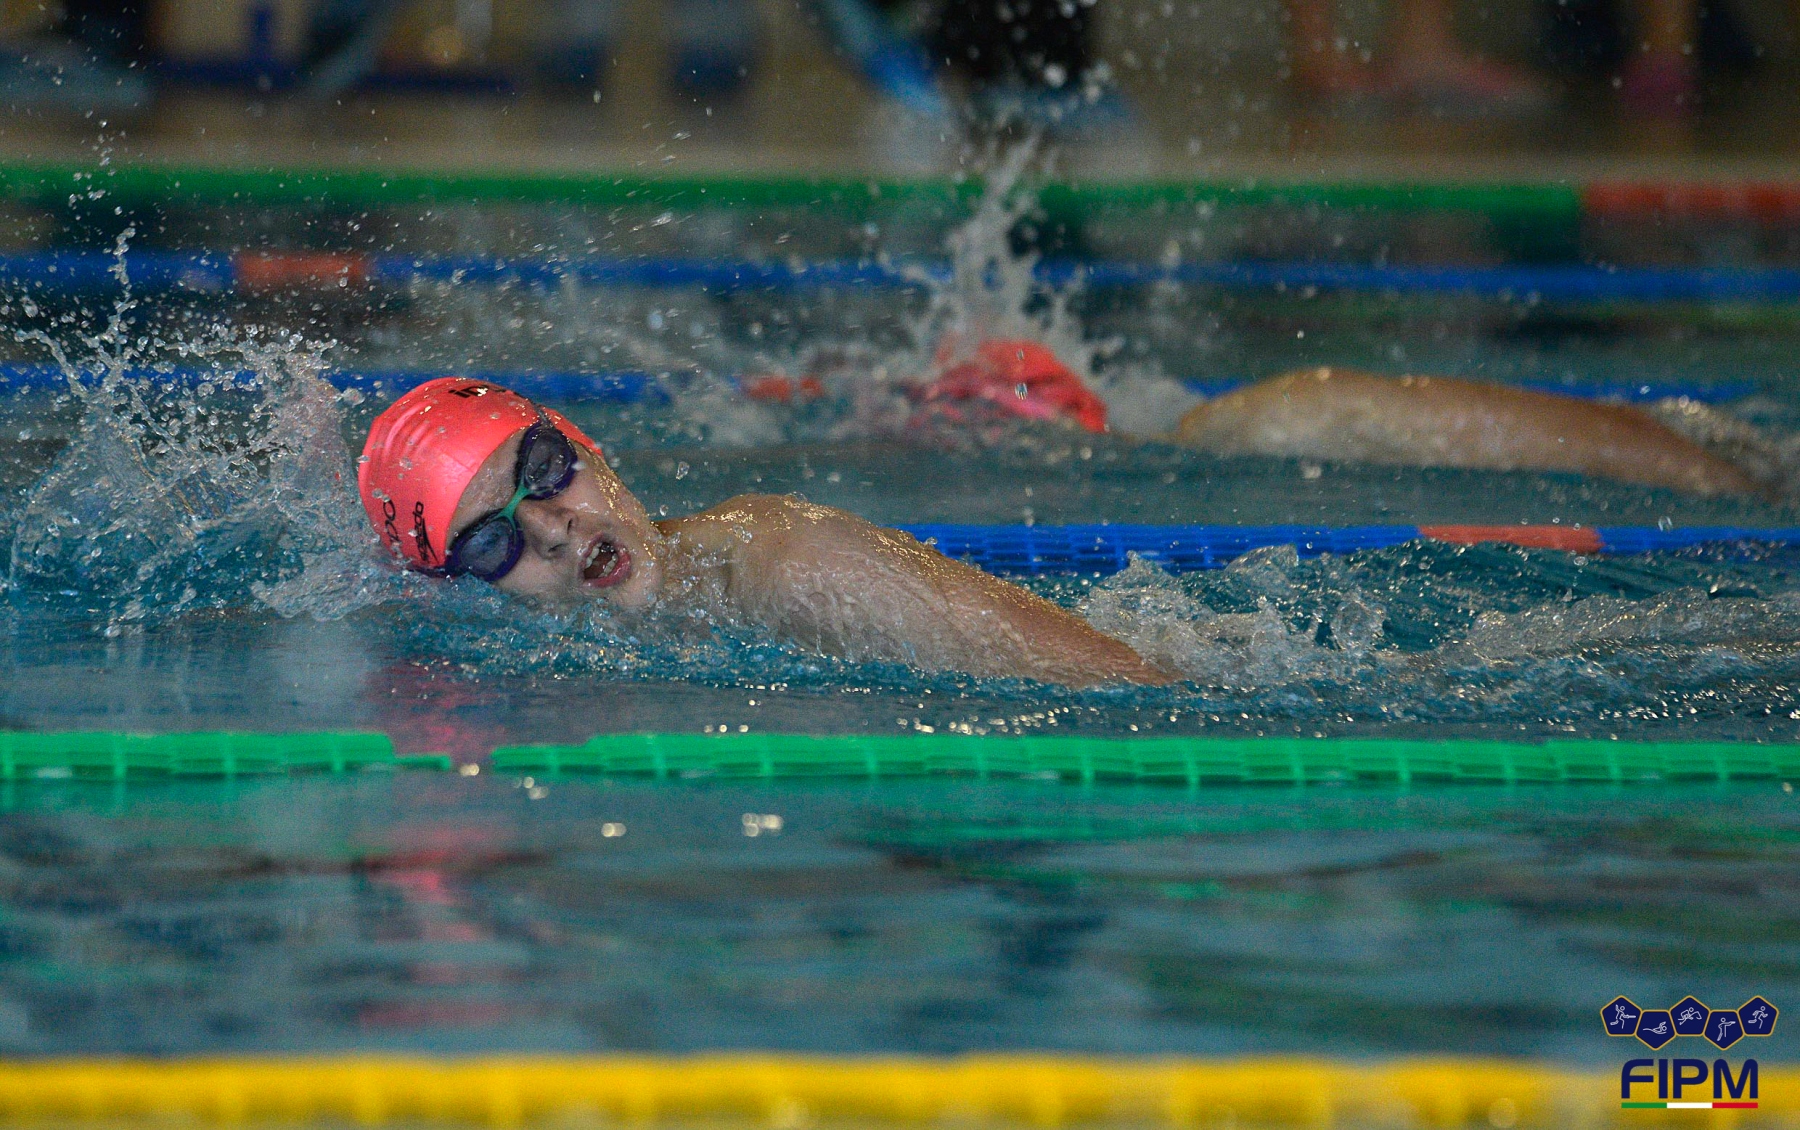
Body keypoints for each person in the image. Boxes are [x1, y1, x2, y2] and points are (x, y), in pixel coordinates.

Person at [357, 377, 1173, 688]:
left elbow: (1135, 683)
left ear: (588, 447)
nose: (552, 529)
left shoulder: (788, 565)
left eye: (543, 469)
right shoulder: (539, 680)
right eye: (490, 543)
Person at [915, 341, 1774, 497]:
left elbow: (1573, 436)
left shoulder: (1258, 423)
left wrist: (1734, 489)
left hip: (1723, 480)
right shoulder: (1240, 429)